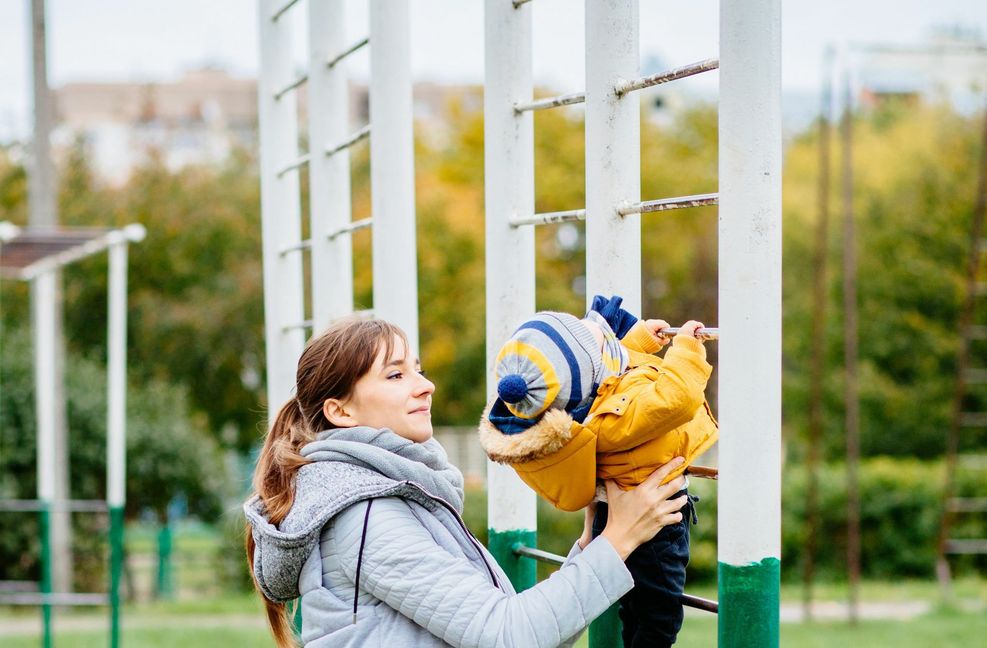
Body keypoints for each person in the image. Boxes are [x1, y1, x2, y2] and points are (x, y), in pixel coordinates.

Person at [244, 317, 689, 648]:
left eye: (418, 369)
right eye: (396, 375)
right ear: (340, 412)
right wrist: (620, 540)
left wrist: (594, 545)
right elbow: (509, 637)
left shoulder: (393, 495)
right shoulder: (365, 517)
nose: (427, 385)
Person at [478, 295, 718, 647]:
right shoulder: (611, 420)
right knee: (658, 617)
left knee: (635, 609)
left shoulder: (587, 408)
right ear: (589, 375)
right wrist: (686, 348)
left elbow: (614, 368)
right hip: (655, 523)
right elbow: (677, 397)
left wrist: (642, 341)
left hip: (612, 514)